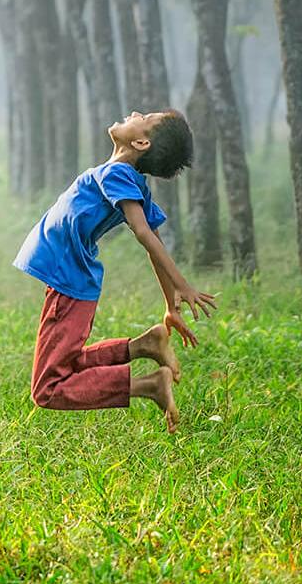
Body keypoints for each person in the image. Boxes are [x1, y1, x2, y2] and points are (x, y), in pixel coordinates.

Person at [13, 110, 216, 432]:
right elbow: (154, 238)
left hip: (69, 282)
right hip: (69, 280)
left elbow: (145, 233)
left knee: (48, 388)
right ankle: (143, 346)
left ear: (141, 141)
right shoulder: (123, 177)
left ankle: (149, 386)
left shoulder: (119, 174)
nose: (135, 112)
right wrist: (169, 305)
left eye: (145, 117)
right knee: (65, 364)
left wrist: (182, 285)